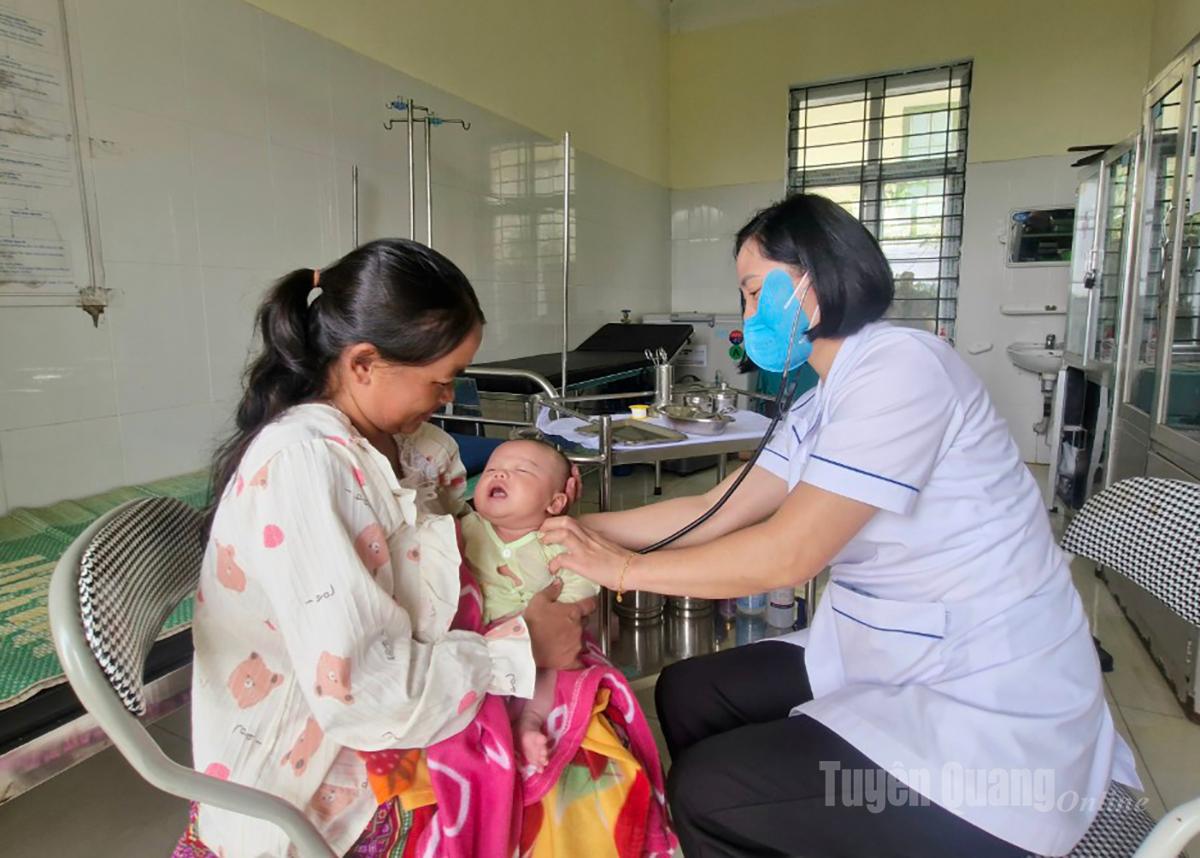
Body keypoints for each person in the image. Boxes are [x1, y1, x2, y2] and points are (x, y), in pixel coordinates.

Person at [540, 194, 1140, 858]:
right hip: (894, 646)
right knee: (688, 690)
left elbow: (788, 553)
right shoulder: (826, 396)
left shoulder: (903, 367)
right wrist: (568, 528)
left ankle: (746, 824)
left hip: (987, 700)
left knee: (707, 790)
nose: (745, 319)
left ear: (816, 277)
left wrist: (622, 571)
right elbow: (720, 505)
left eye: (752, 292)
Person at [180, 239, 590, 857]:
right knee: (574, 794)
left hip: (413, 708)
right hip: (317, 785)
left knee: (586, 724)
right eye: (442, 381)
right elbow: (364, 694)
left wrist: (556, 532)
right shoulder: (305, 466)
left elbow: (459, 550)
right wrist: (520, 645)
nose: (448, 398)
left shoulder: (419, 449)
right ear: (365, 363)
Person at [462, 439, 601, 771]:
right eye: (491, 470)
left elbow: (582, 582)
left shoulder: (555, 539)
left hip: (537, 633)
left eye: (521, 470)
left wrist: (563, 613)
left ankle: (530, 721)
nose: (501, 475)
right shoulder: (465, 527)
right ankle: (489, 733)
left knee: (550, 671)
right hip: (477, 636)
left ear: (555, 502)